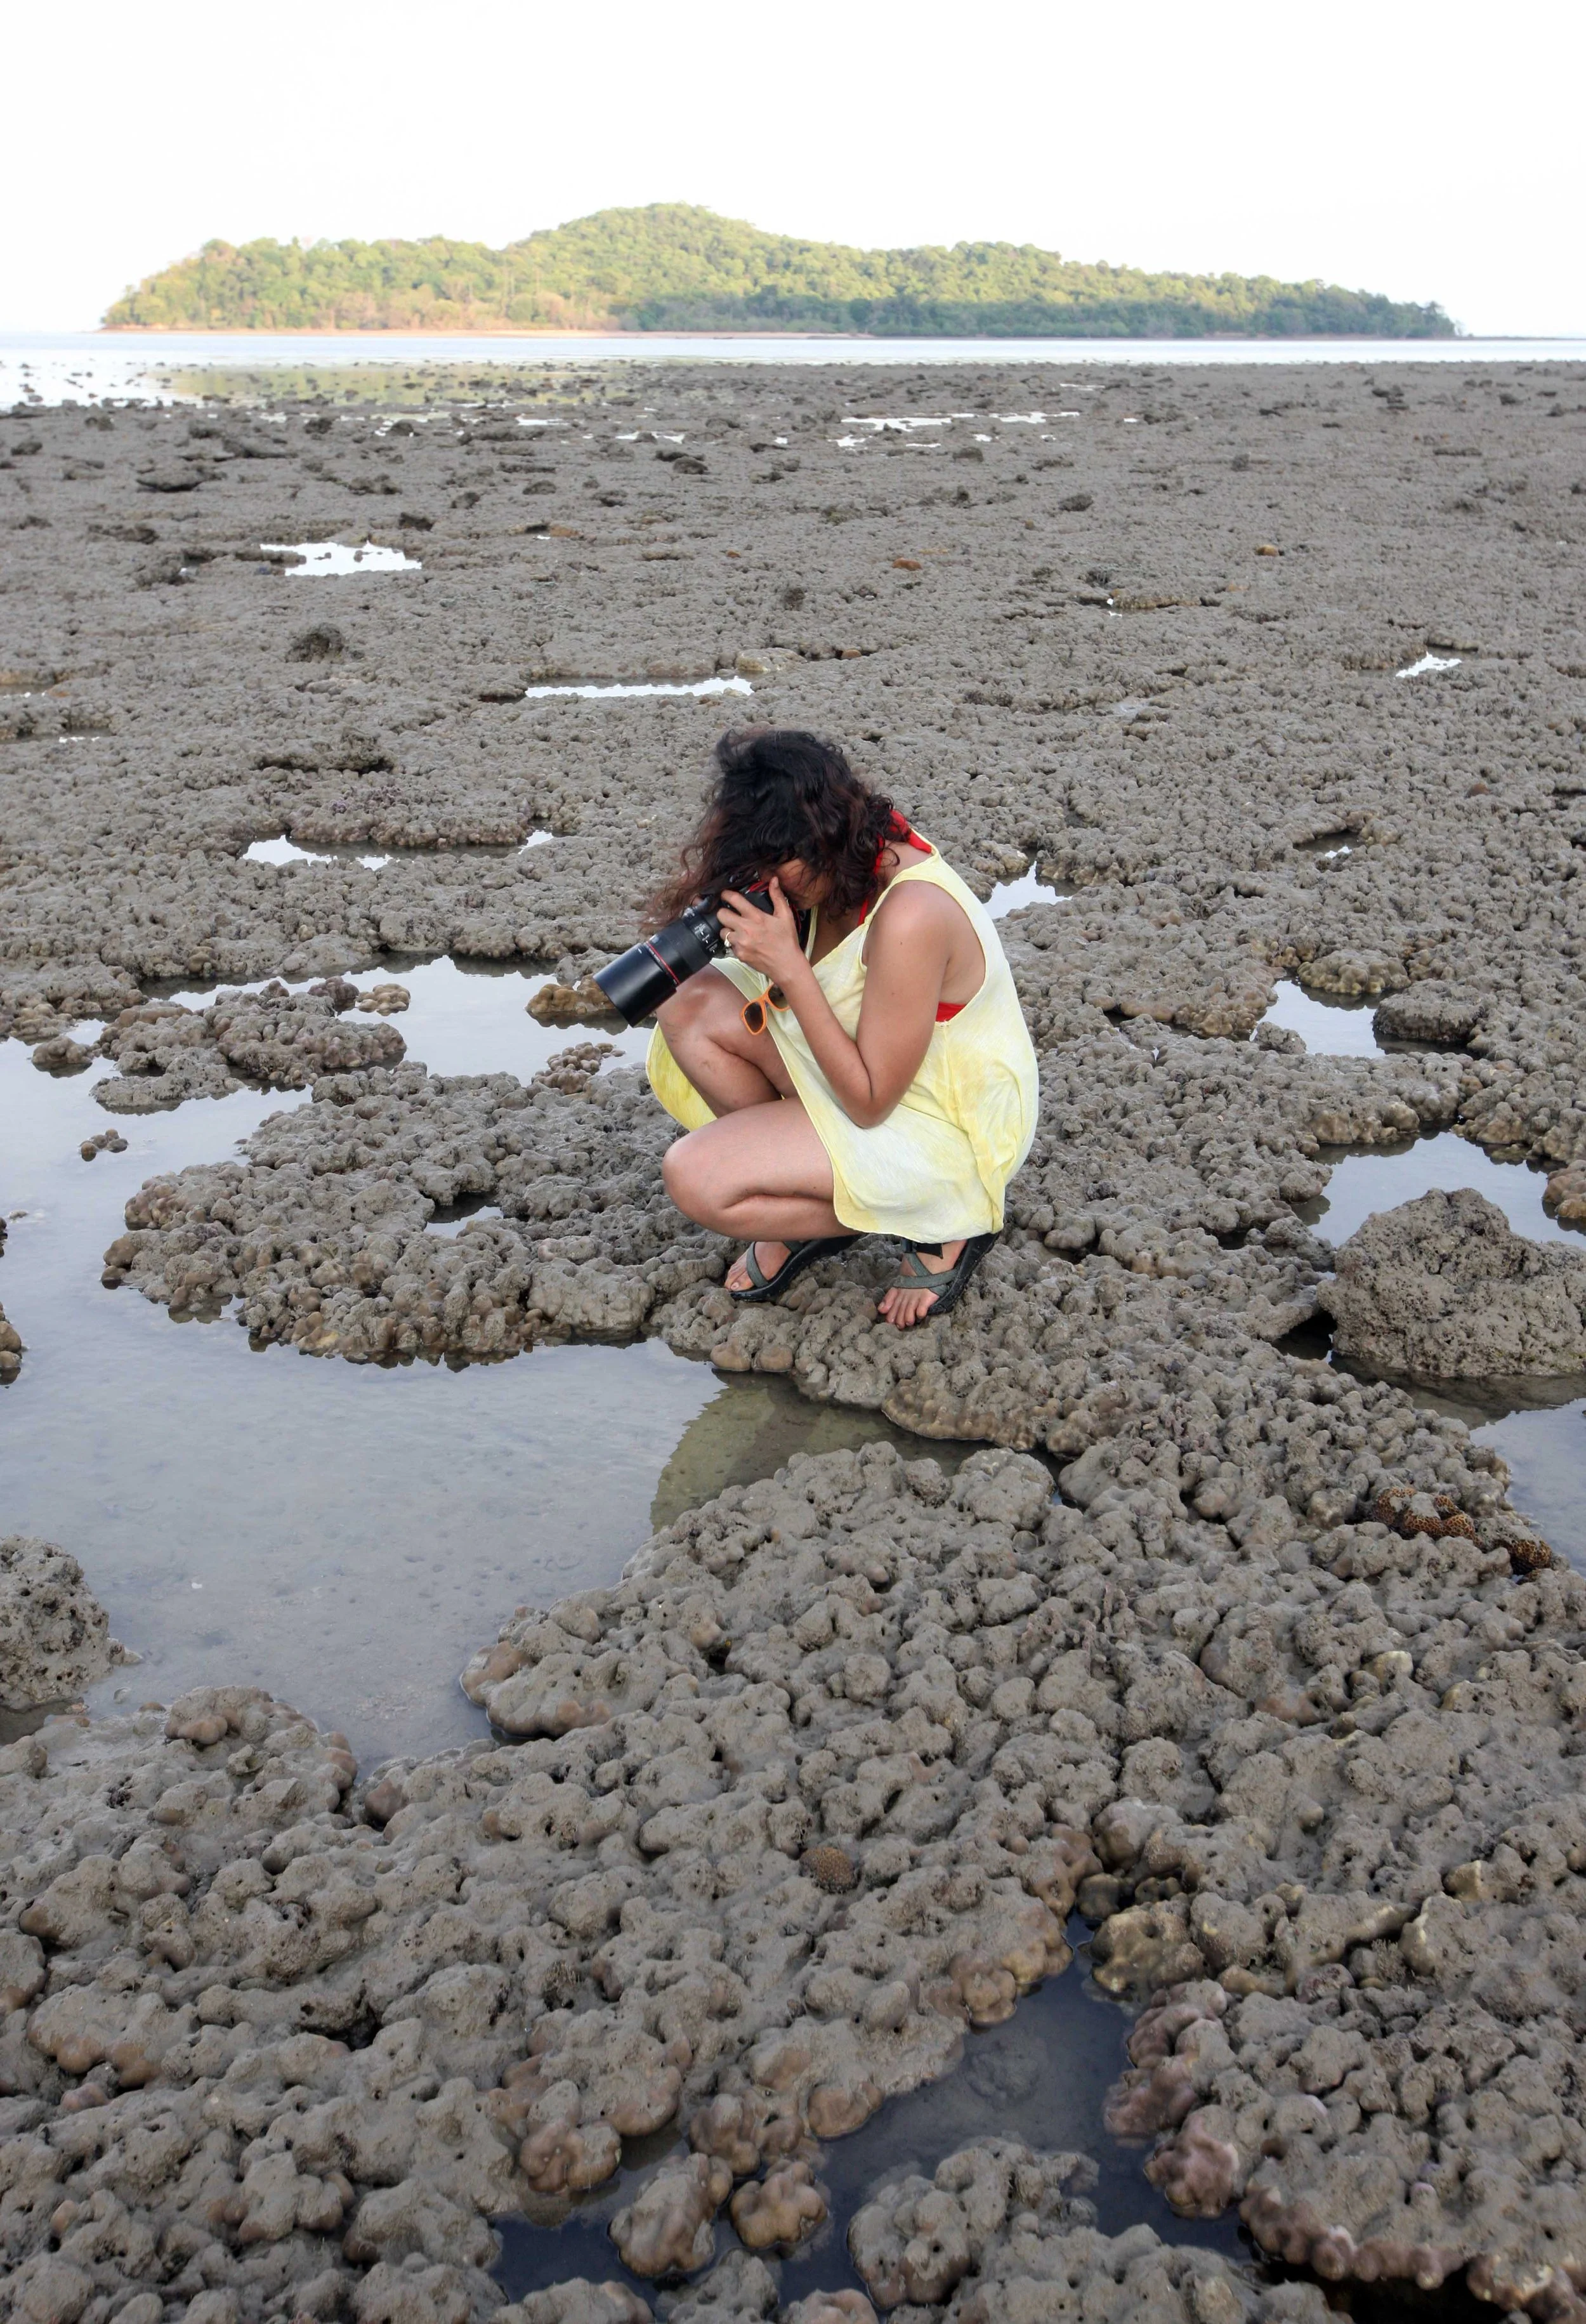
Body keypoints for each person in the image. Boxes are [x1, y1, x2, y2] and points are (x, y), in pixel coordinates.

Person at [647, 728, 1039, 1327]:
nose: (769, 884)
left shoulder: (911, 913)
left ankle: (947, 1222)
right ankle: (802, 1198)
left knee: (696, 1176)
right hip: (861, 1075)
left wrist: (789, 967)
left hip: (938, 1120)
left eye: (777, 866)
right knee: (687, 1001)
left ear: (824, 836)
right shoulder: (837, 868)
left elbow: (872, 1101)